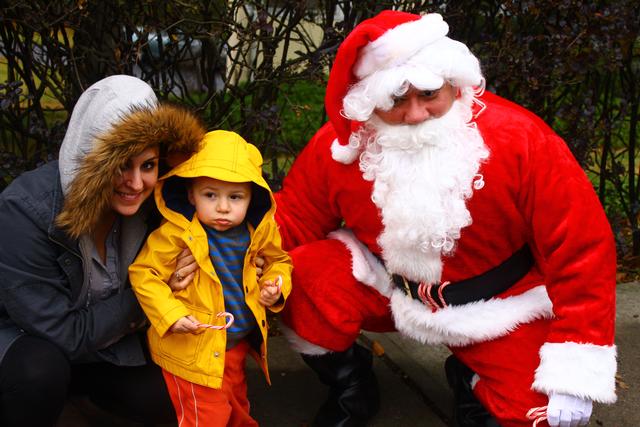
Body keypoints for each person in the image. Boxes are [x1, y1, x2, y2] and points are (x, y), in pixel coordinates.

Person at [273, 10, 617, 427]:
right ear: (370, 103)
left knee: (540, 415)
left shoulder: (522, 139)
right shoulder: (341, 146)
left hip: (499, 305)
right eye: (396, 100)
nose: (416, 114)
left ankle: (471, 376)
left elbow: (581, 248)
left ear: (454, 83)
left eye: (429, 94)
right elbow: (295, 217)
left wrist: (577, 355)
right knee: (298, 275)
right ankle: (351, 386)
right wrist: (220, 250)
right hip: (389, 288)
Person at [0, 74, 206, 426]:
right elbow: (62, 332)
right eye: (121, 165)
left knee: (170, 397)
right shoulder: (23, 211)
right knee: (39, 374)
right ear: (90, 161)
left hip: (105, 347)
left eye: (148, 165)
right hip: (31, 344)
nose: (136, 183)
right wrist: (153, 291)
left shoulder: (155, 206)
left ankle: (85, 400)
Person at [129, 130, 293, 427]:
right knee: (206, 416)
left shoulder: (259, 231)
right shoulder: (177, 234)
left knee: (237, 404)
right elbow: (144, 273)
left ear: (251, 196)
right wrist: (171, 314)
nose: (223, 207)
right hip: (192, 348)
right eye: (210, 195)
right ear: (191, 194)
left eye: (235, 197)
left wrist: (275, 286)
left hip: (234, 343)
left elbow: (279, 262)